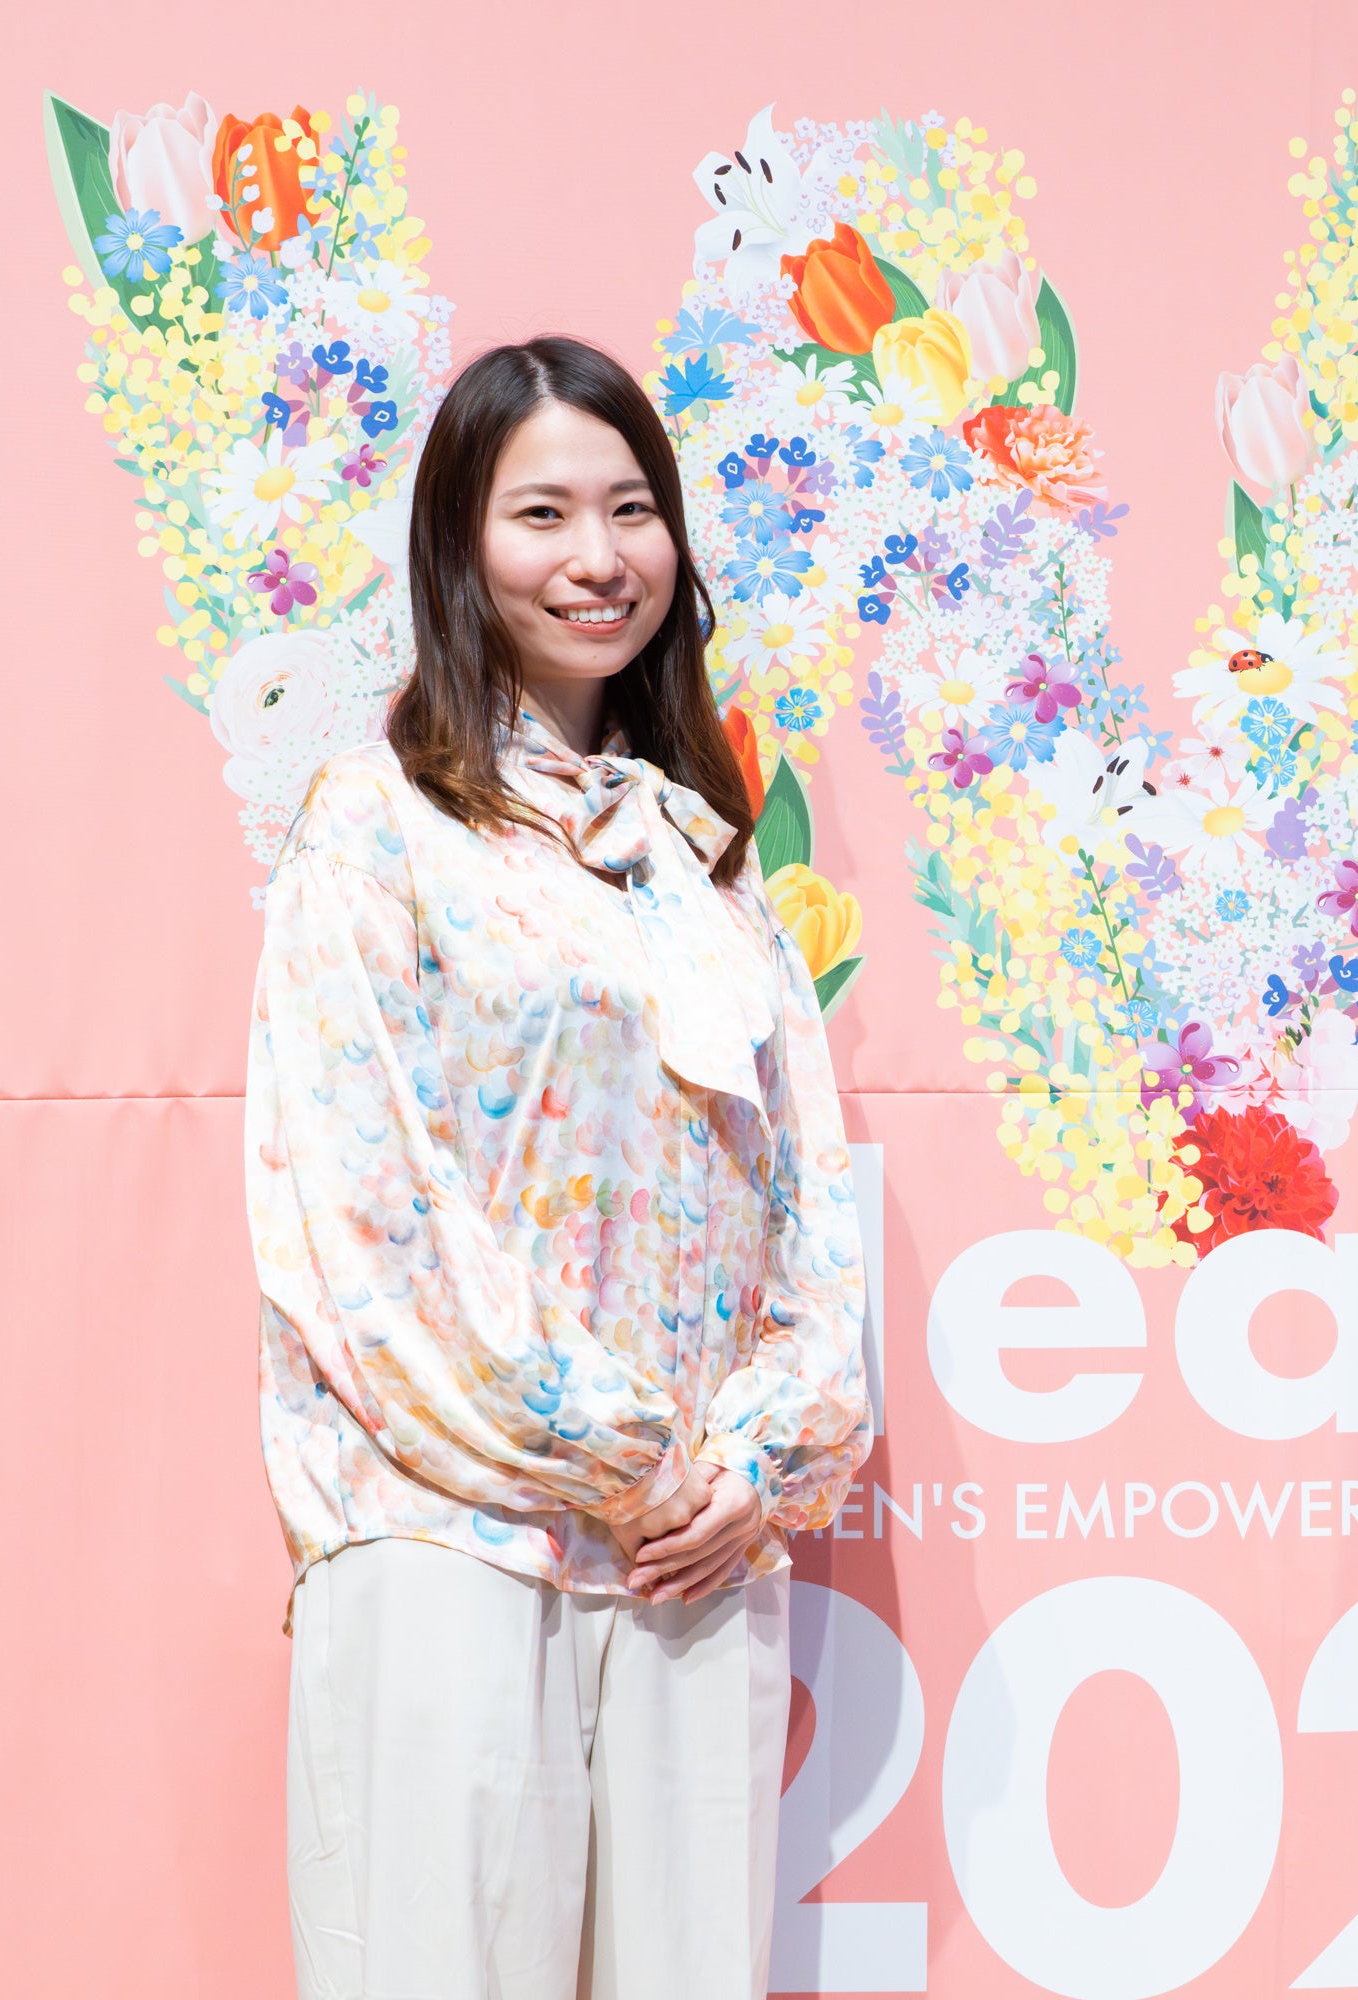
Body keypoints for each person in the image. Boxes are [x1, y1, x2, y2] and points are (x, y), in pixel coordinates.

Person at [245, 335, 870, 1999]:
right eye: (542, 514)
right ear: (460, 544)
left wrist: (756, 1459)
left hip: (691, 1554)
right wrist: (619, 1451)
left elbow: (807, 1199)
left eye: (632, 509)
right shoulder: (375, 825)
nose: (598, 556)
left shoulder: (697, 859)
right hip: (454, 1534)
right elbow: (363, 1208)